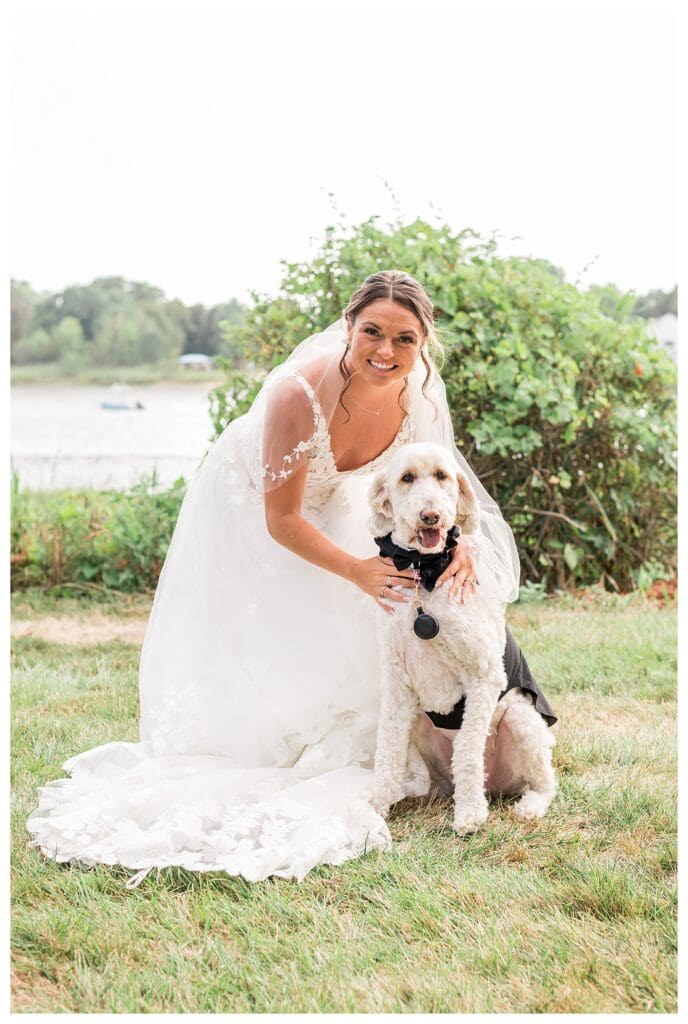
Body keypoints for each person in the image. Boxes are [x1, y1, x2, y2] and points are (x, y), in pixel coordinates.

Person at [27, 271, 555, 885]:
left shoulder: (423, 395)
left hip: (347, 511)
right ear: (349, 329)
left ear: (423, 343)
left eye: (405, 339)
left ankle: (478, 734)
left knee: (409, 618)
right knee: (300, 647)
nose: (386, 351)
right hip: (262, 520)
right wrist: (357, 568)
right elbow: (280, 518)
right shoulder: (295, 397)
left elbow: (437, 483)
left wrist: (461, 546)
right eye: (373, 333)